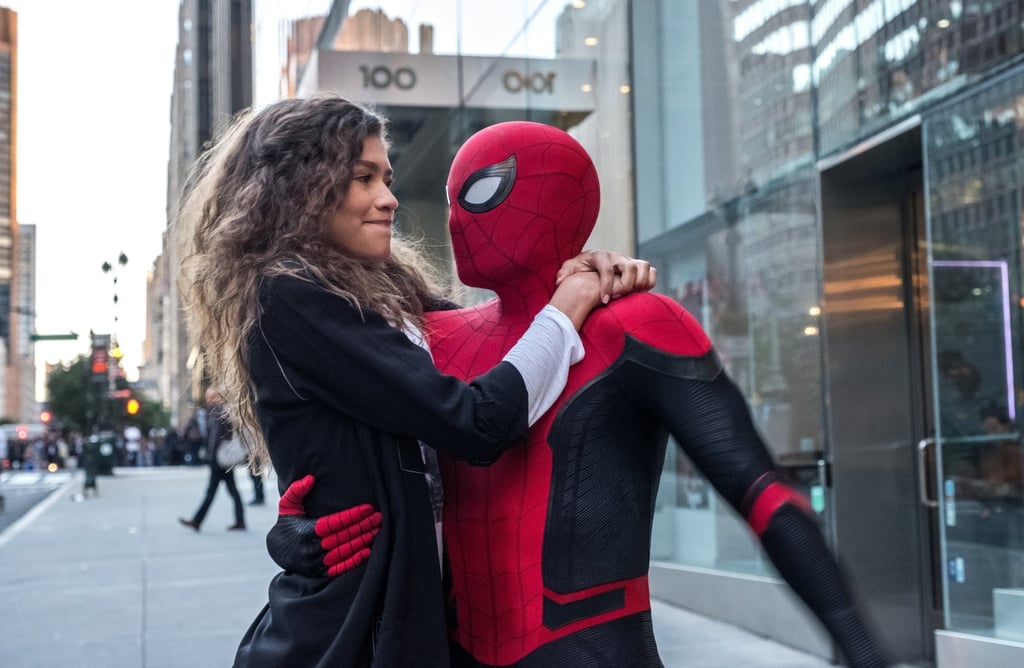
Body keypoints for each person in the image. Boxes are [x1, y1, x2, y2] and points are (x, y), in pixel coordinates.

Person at [272, 121, 889, 667]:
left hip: (590, 645)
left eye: (481, 190)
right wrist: (301, 532)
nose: (457, 215)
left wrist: (860, 643)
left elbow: (759, 490)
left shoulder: (633, 324)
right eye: (451, 197)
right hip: (446, 646)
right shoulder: (425, 334)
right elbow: (333, 434)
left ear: (559, 196)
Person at [174, 94, 653, 667]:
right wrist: (567, 304)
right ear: (302, 189)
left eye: (389, 177)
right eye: (363, 178)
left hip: (433, 614)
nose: (389, 199)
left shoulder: (386, 289)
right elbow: (475, 418)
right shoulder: (291, 296)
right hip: (353, 634)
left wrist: (582, 275)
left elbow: (503, 349)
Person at [177, 386, 246, 532]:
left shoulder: (217, 412)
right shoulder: (225, 411)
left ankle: (197, 520)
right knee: (231, 490)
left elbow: (215, 436)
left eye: (211, 397)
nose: (208, 400)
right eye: (208, 397)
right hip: (223, 458)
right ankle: (239, 520)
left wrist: (210, 455)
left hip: (218, 458)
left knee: (212, 492)